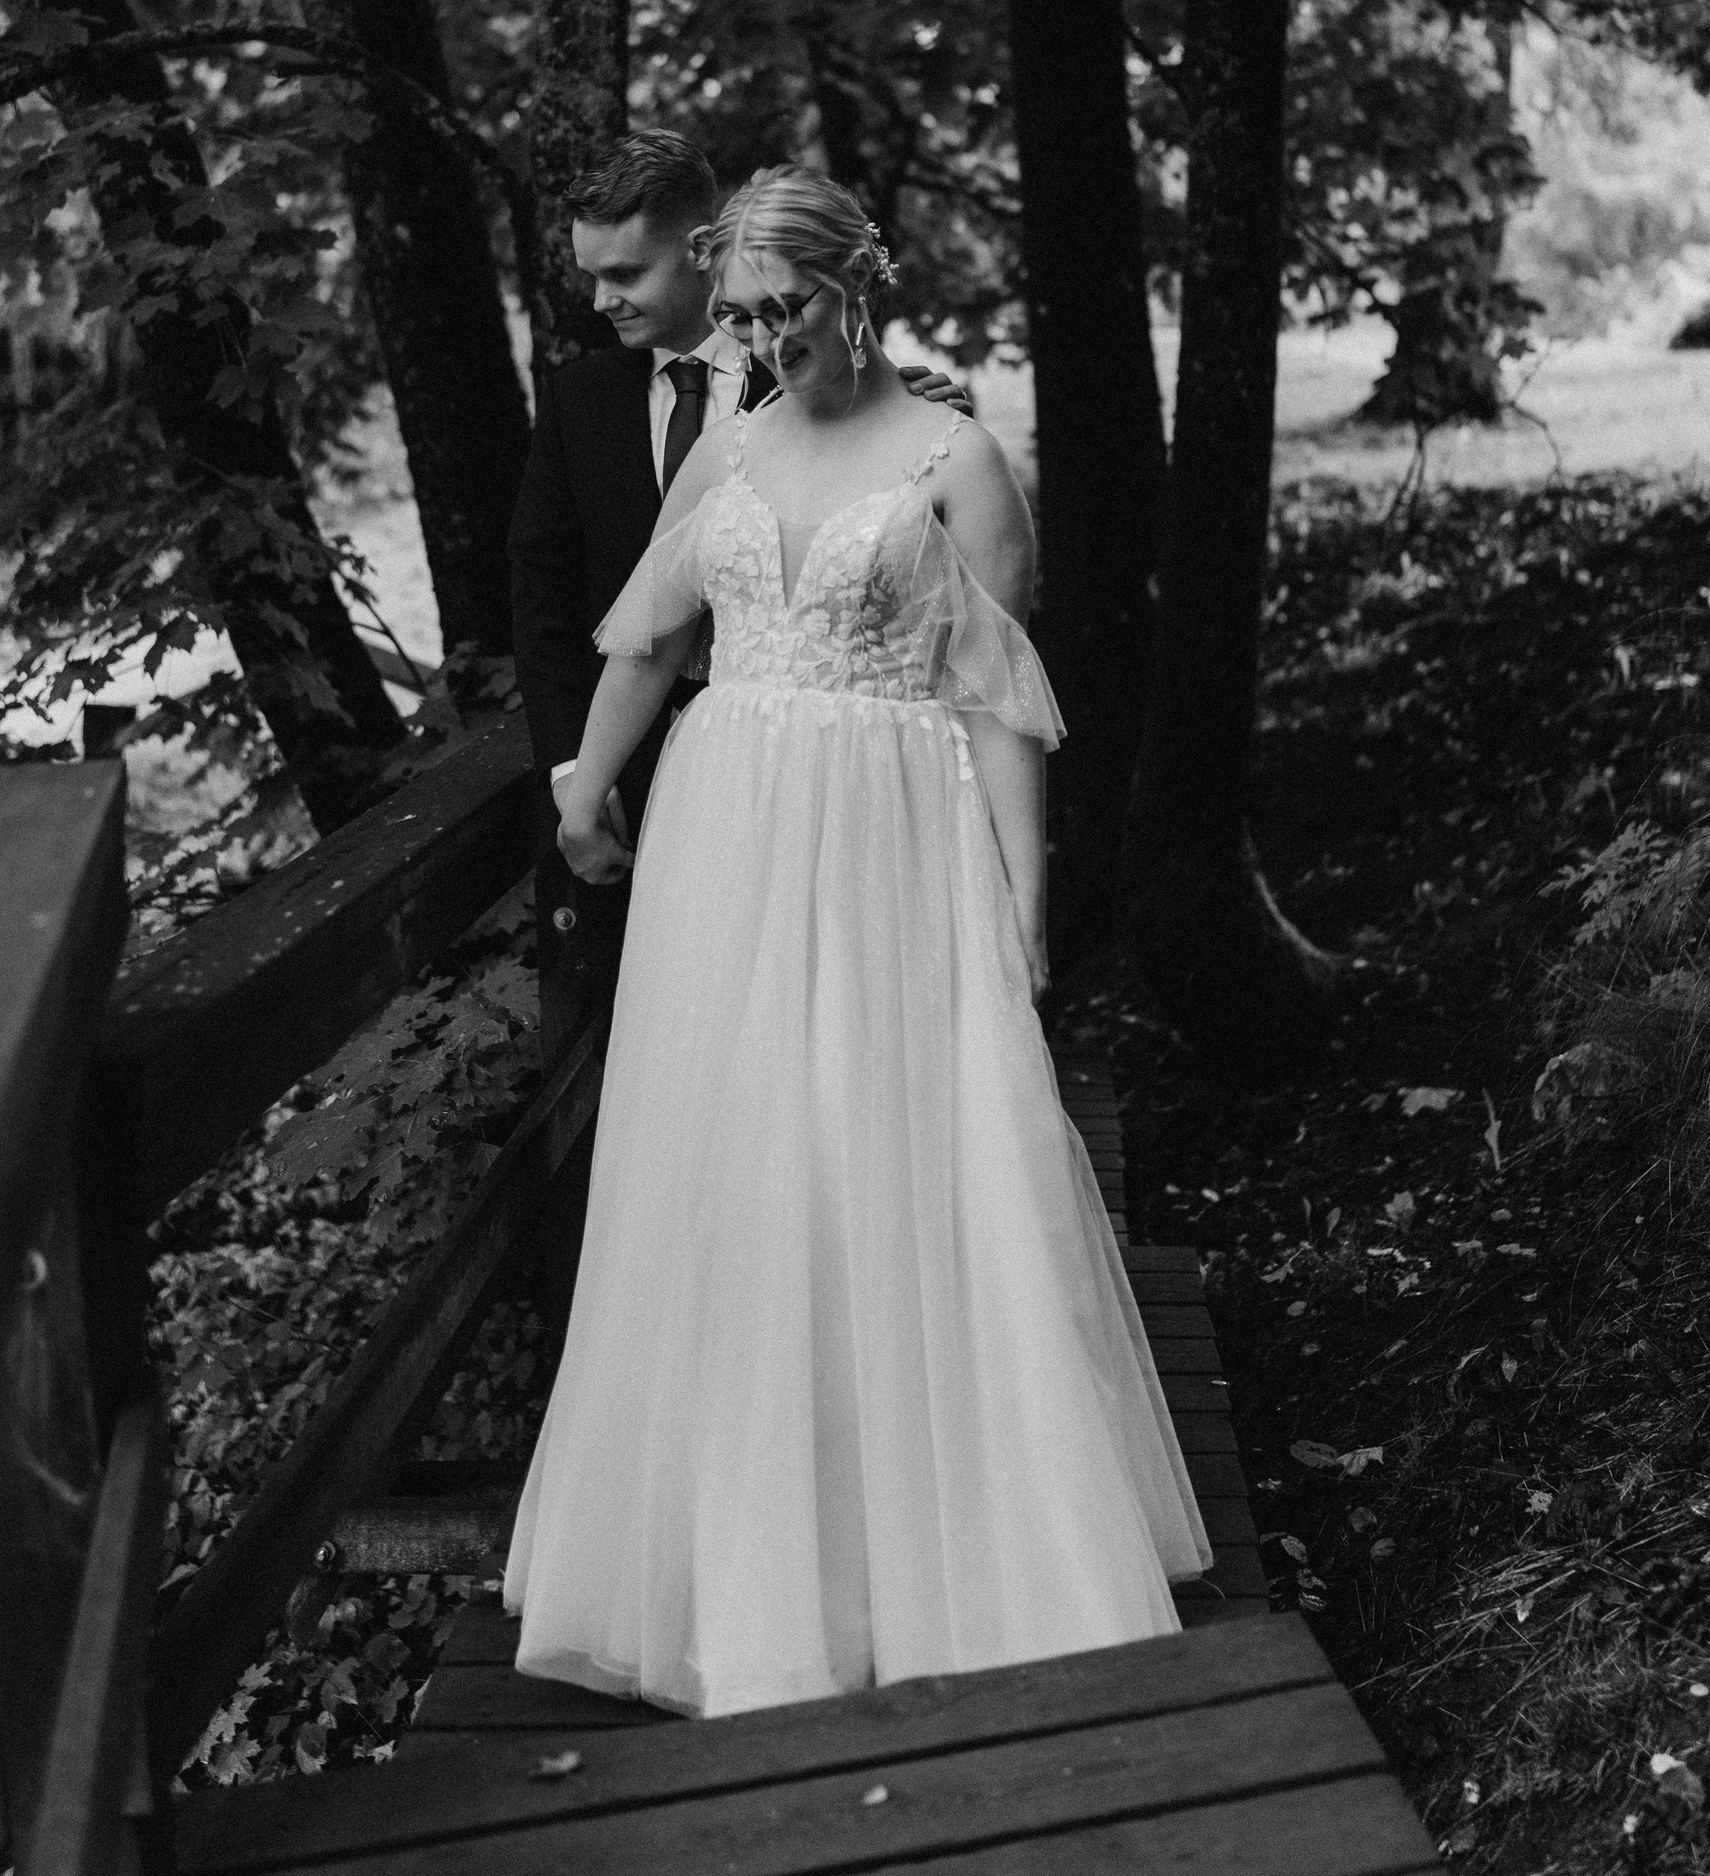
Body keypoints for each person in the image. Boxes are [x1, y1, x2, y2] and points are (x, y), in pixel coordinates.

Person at [503, 167, 1210, 1719]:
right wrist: (585, 789)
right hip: (728, 836)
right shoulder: (731, 447)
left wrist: (1024, 901)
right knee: (744, 1157)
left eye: (788, 310)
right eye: (741, 316)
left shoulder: (958, 462)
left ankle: (954, 1541)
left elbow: (1000, 703)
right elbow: (648, 636)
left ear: (855, 288)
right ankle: (752, 1559)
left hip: (895, 831)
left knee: (891, 1150)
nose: (766, 342)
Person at [508, 130, 966, 1076]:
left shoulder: (814, 367)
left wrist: (927, 429)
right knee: (675, 1045)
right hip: (642, 777)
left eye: (625, 272)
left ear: (699, 249)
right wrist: (574, 774)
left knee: (827, 1027)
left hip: (823, 774)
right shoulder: (579, 399)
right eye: (591, 275)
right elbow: (543, 598)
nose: (601, 300)